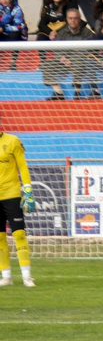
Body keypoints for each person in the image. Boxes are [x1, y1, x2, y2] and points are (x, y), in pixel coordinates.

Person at [0, 116, 35, 288]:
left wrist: (27, 189)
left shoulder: (13, 141)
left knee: (19, 234)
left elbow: (22, 166)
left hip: (12, 195)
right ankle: (6, 276)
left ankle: (27, 276)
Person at [49, 7, 98, 99]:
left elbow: (89, 49)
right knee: (47, 65)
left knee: (78, 61)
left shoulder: (86, 32)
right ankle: (58, 93)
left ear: (79, 19)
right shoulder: (61, 32)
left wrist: (71, 59)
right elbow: (57, 49)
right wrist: (61, 58)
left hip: (80, 61)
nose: (73, 20)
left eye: (75, 18)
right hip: (64, 63)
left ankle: (77, 92)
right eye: (70, 18)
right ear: (67, 19)